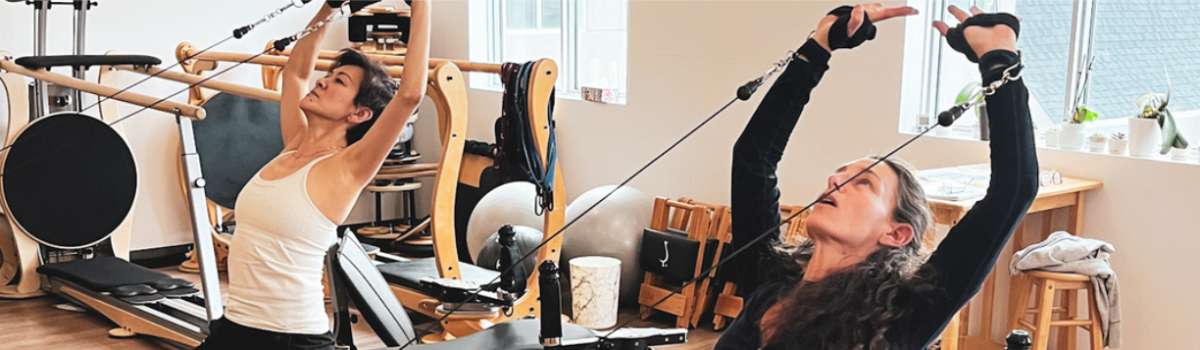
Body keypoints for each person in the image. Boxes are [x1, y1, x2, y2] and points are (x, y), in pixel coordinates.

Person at [716, 3, 1038, 349]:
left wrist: (998, 59)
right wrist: (818, 47)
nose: (834, 181)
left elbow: (1014, 188)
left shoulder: (902, 313)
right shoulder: (770, 279)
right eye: (840, 174)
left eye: (864, 183)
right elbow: (754, 158)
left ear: (897, 233)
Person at [196, 1, 430, 349]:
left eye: (340, 81)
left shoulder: (348, 167)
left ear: (359, 113)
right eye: (330, 75)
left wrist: (421, 4)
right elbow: (296, 73)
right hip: (235, 328)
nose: (324, 82)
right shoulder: (294, 144)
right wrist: (330, 8)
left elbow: (410, 94)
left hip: (291, 339)